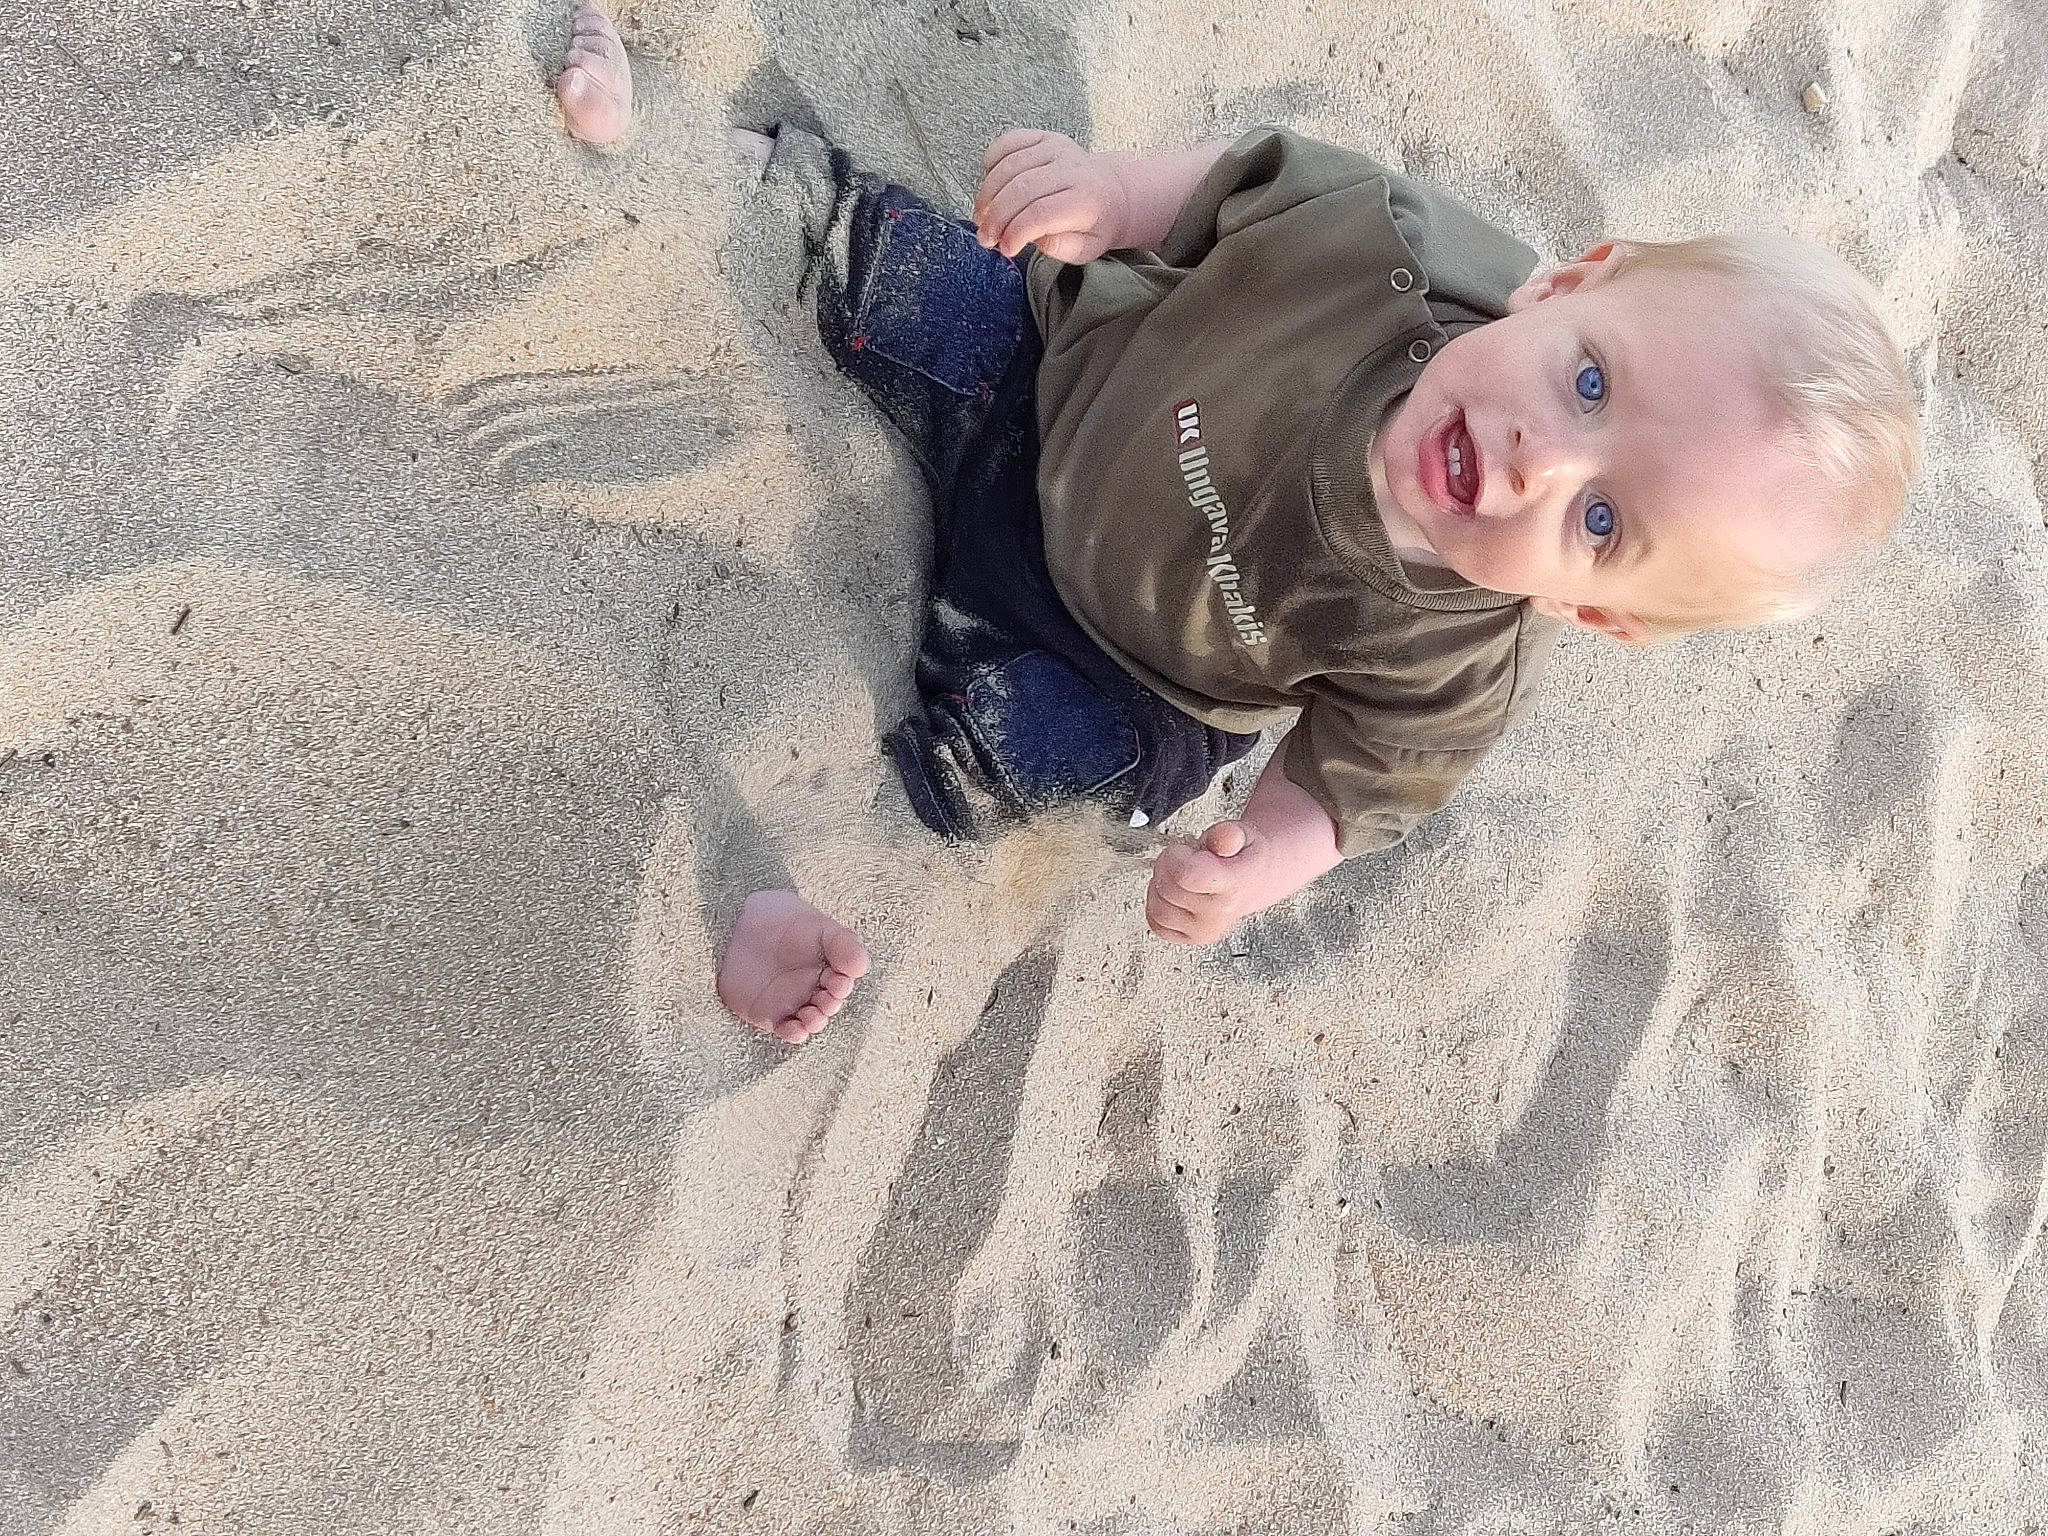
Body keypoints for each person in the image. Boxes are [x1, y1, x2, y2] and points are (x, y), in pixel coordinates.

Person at [552, 7, 1921, 1043]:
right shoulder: (1387, 250)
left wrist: (1256, 864)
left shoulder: (1452, 673)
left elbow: (1340, 787)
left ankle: (787, 880)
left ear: (1597, 610)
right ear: (1572, 282)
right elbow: (1229, 191)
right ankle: (667, 145)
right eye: (1589, 380)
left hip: (1123, 665)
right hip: (1053, 377)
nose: (1535, 458)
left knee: (1010, 777)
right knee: (872, 248)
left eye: (1606, 518)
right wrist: (1105, 193)